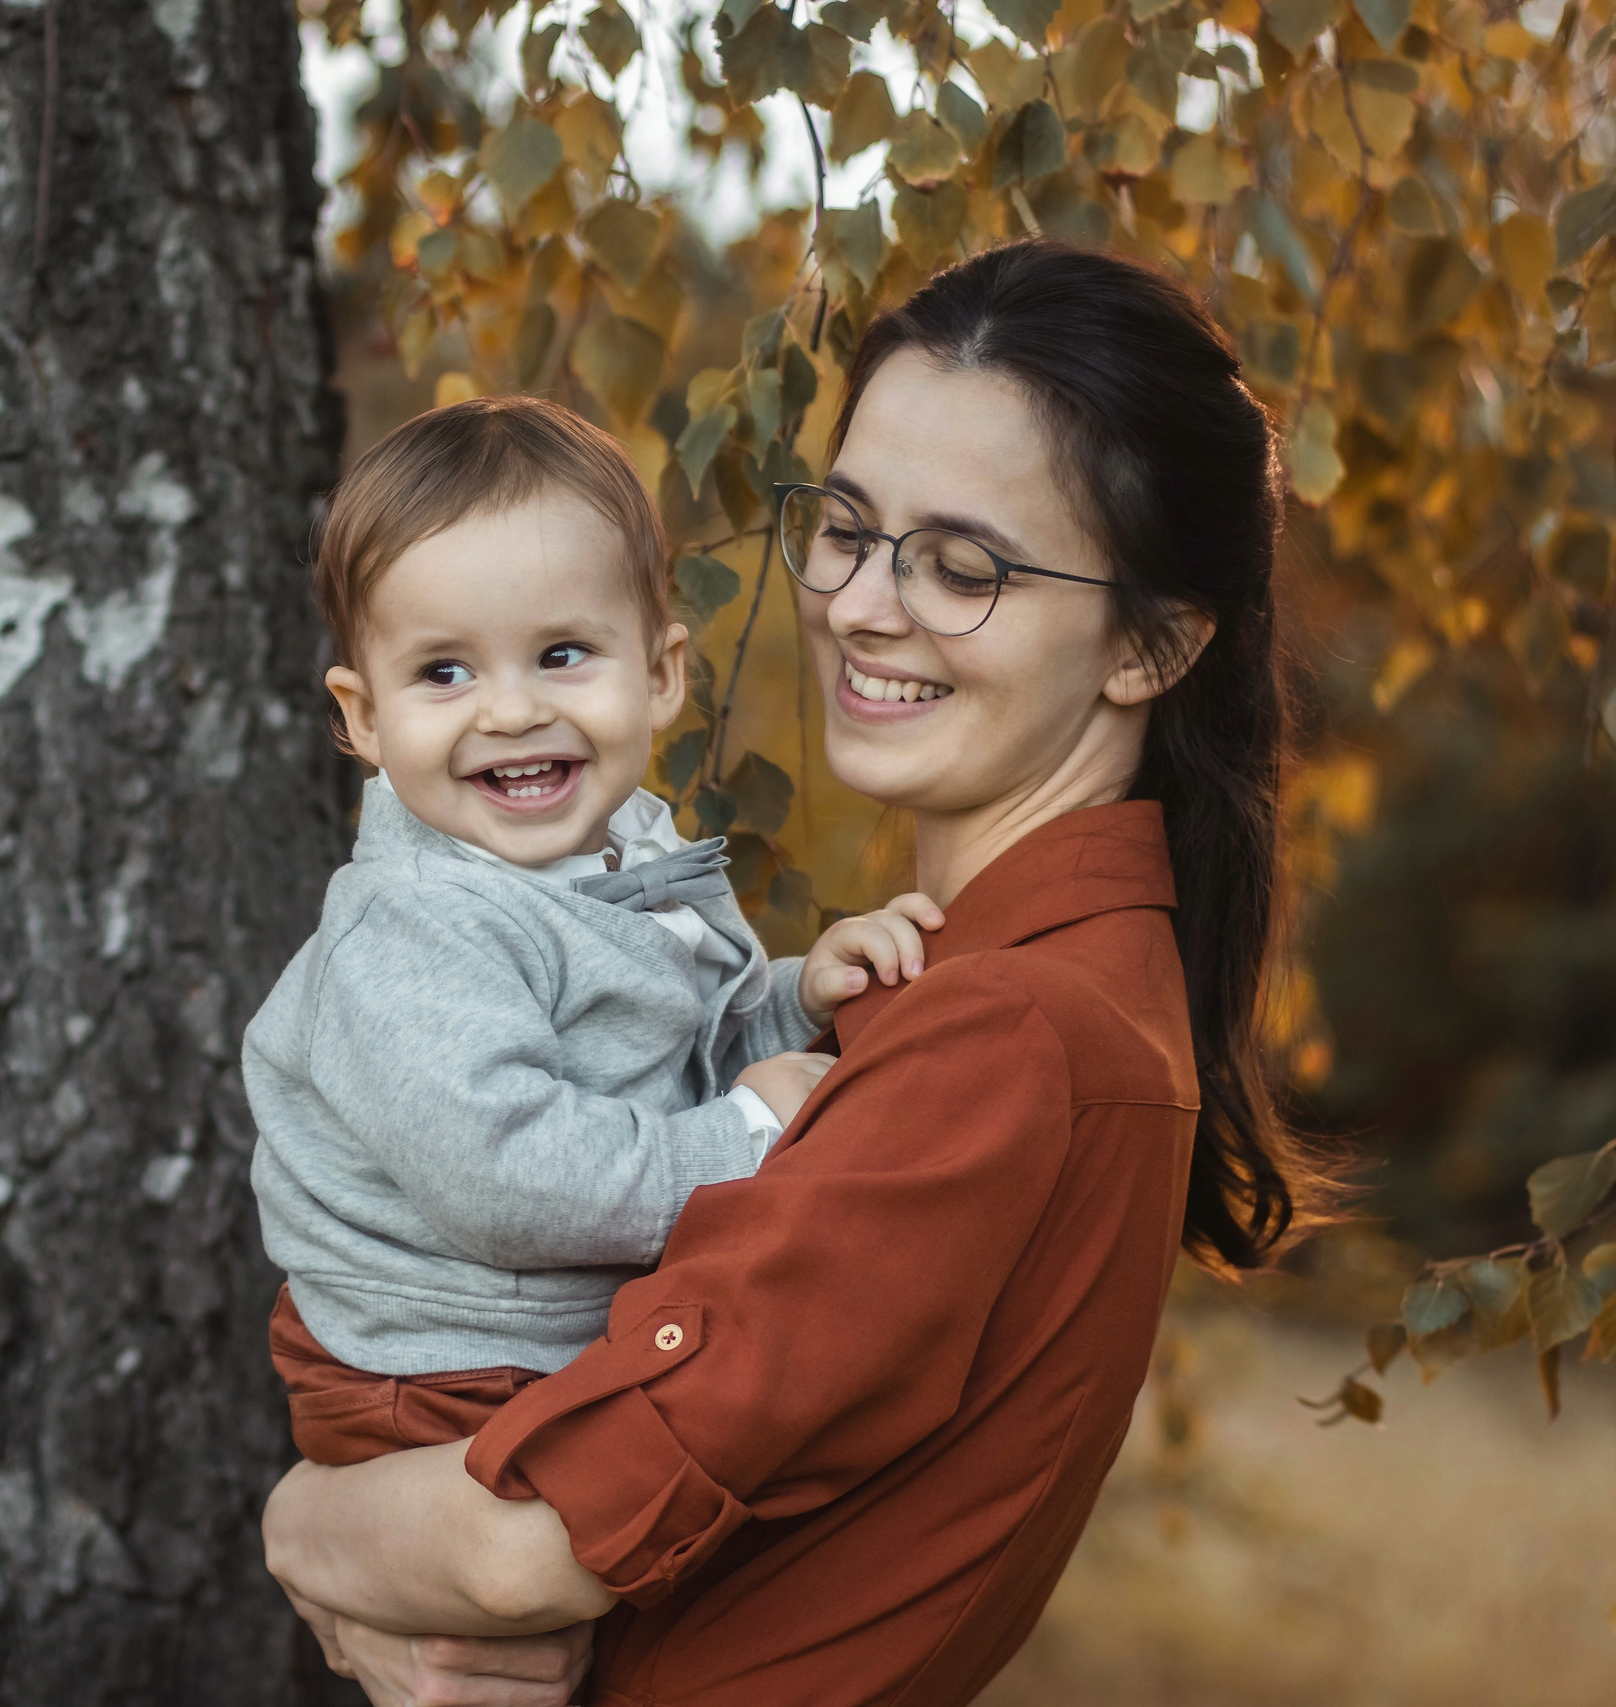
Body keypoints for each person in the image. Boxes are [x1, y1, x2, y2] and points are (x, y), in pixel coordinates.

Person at [257, 238, 1336, 1707]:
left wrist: (301, 1522)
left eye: (963, 566)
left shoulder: (1013, 1033)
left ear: (1148, 647)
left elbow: (523, 1551)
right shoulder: (977, 979)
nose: (864, 605)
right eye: (847, 528)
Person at [245, 395, 944, 1475]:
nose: (511, 711)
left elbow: (657, 1061)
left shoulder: (617, 853)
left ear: (659, 676)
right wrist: (741, 1139)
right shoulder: (416, 927)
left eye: (562, 653)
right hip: (441, 1369)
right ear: (365, 715)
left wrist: (793, 1003)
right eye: (443, 672)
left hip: (548, 1335)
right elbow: (511, 1179)